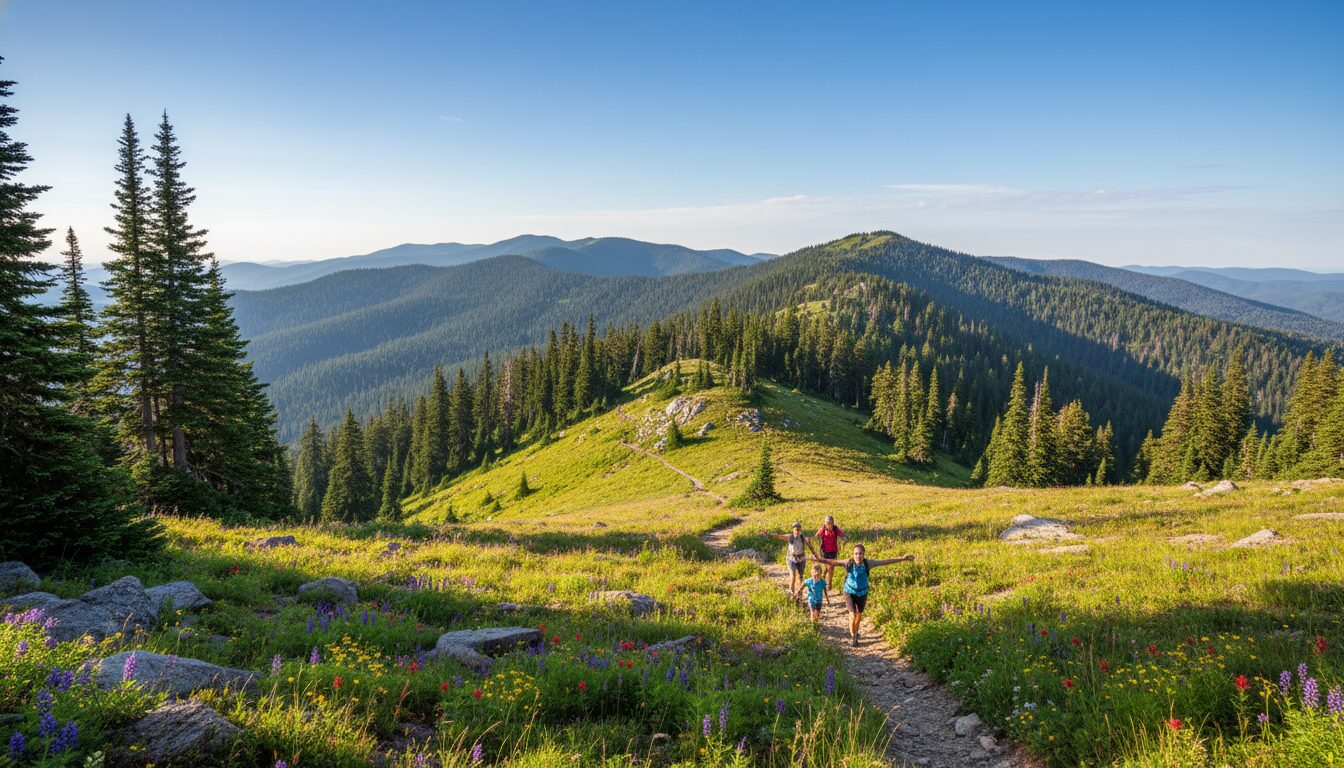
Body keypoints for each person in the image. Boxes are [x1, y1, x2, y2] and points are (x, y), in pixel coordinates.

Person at [813, 543, 914, 646]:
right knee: (852, 614)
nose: (858, 556)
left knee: (859, 615)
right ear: (853, 554)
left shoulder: (868, 563)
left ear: (864, 554)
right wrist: (819, 559)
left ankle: (856, 632)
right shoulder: (848, 562)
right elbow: (832, 562)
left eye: (860, 554)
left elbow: (885, 561)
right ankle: (854, 636)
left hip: (862, 592)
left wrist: (903, 558)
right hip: (849, 591)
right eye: (856, 554)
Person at [761, 522, 816, 597]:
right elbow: (779, 536)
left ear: (800, 530)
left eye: (798, 530)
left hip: (801, 559)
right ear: (793, 530)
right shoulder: (790, 537)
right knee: (793, 575)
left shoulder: (803, 538)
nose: (797, 531)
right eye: (795, 529)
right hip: (791, 559)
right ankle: (792, 594)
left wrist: (816, 556)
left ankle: (799, 594)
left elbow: (810, 546)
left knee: (800, 578)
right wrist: (768, 534)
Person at [815, 515, 845, 593]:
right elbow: (816, 536)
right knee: (830, 567)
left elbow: (842, 535)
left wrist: (843, 540)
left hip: (833, 551)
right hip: (825, 552)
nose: (830, 524)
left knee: (831, 567)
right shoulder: (823, 529)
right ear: (825, 523)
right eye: (828, 523)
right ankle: (829, 585)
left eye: (831, 522)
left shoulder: (835, 528)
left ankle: (825, 578)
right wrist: (819, 544)